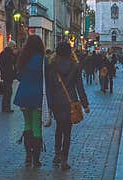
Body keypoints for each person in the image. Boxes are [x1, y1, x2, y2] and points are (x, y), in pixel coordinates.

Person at [45, 42, 90, 170]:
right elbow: (79, 87)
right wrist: (85, 104)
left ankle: (57, 154)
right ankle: (64, 159)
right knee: (67, 131)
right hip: (71, 102)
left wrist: (48, 103)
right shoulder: (75, 66)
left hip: (56, 101)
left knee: (59, 127)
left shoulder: (52, 65)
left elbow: (49, 85)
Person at [13, 36, 46, 167]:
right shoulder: (43, 60)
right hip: (37, 96)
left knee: (27, 125)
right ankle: (36, 159)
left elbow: (19, 76)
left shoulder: (23, 58)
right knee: (37, 127)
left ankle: (28, 156)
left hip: (24, 95)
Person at [0, 42, 18, 113]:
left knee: (8, 92)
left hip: (9, 75)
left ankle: (6, 107)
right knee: (8, 91)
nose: (14, 48)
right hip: (7, 75)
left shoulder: (10, 53)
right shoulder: (5, 54)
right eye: (14, 46)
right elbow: (0, 64)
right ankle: (6, 108)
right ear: (10, 46)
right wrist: (4, 71)